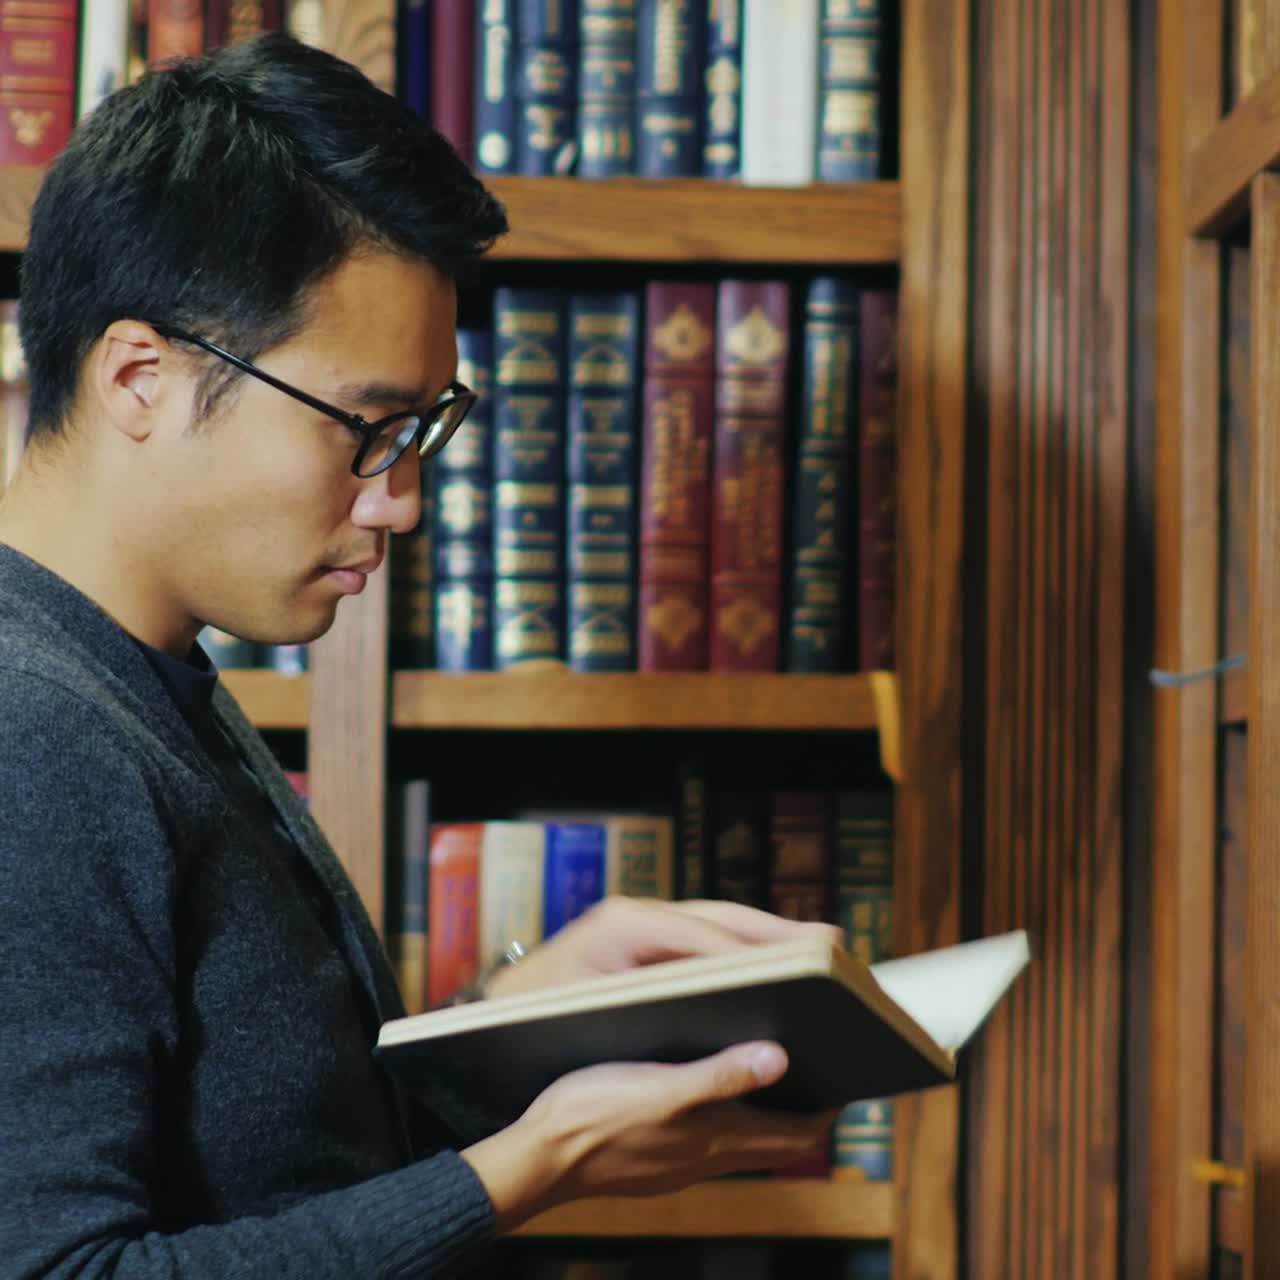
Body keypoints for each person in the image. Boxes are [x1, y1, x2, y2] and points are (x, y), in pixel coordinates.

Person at [0, 33, 839, 1278]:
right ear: (141, 378)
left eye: (421, 431)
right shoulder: (28, 727)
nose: (399, 501)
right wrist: (526, 1166)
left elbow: (280, 1168)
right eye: (366, 425)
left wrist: (509, 1031)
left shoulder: (136, 684)